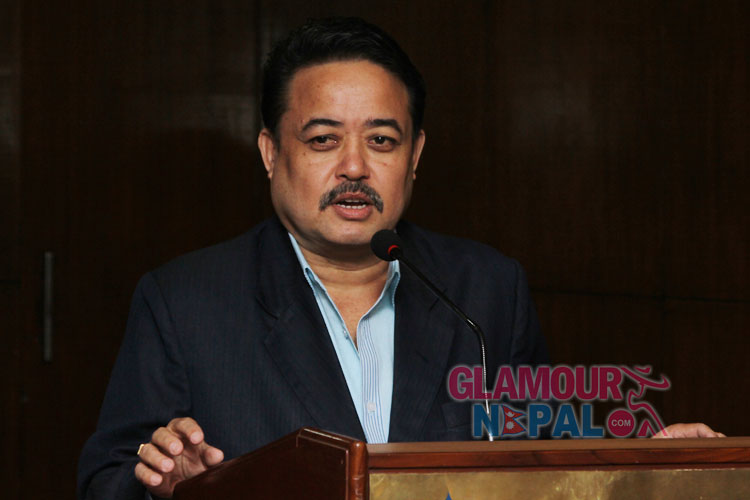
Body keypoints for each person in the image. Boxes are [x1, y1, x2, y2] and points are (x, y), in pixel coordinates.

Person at [77, 17, 722, 500]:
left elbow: (539, 460)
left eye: (382, 140)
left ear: (414, 156)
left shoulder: (485, 288)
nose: (355, 167)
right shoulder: (185, 300)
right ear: (272, 153)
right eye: (323, 139)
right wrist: (170, 488)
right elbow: (108, 479)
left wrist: (641, 463)